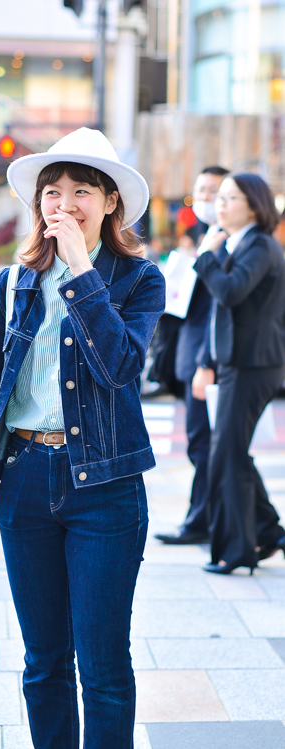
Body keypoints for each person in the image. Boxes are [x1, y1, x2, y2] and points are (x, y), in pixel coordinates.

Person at [0, 128, 165, 748]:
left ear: (110, 203)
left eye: (81, 190)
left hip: (105, 485)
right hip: (24, 479)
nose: (64, 204)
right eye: (53, 192)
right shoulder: (13, 281)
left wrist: (81, 270)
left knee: (102, 668)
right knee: (43, 662)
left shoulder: (138, 279)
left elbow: (120, 367)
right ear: (38, 203)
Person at [193, 172, 285, 574]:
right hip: (236, 362)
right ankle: (268, 531)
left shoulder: (261, 245)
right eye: (221, 197)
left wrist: (205, 257)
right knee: (230, 453)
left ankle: (237, 552)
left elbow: (230, 291)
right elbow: (222, 313)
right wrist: (208, 362)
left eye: (230, 197)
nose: (221, 203)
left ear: (254, 204)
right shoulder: (241, 242)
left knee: (226, 456)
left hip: (253, 364)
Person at [155, 166, 229, 545]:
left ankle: (202, 521)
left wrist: (207, 363)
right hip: (188, 354)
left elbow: (221, 309)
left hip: (205, 358)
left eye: (214, 191)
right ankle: (263, 526)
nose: (205, 197)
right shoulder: (201, 239)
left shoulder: (224, 244)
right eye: (200, 189)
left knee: (207, 445)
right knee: (207, 445)